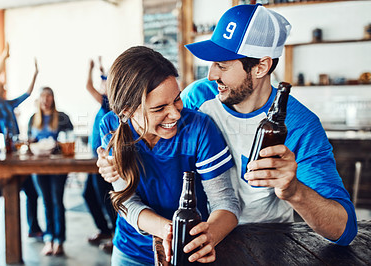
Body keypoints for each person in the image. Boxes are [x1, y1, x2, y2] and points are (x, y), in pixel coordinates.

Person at [98, 4, 357, 247]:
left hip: (265, 241)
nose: (212, 75)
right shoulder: (198, 97)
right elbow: (151, 136)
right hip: (206, 235)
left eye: (222, 65)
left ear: (261, 67)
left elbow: (343, 230)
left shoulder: (299, 125)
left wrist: (294, 190)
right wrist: (116, 160)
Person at [97, 46, 240, 265]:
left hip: (190, 252)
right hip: (131, 252)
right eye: (159, 108)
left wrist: (208, 237)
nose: (175, 113)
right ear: (126, 111)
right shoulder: (110, 127)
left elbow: (226, 203)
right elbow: (127, 201)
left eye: (177, 99)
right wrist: (170, 231)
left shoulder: (199, 128)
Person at [0, 43, 42, 237]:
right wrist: (3, 57)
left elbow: (27, 94)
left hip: (15, 153)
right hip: (0, 156)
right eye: (1, 86)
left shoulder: (8, 104)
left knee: (31, 192)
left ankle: (33, 228)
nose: (3, 88)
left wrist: (35, 74)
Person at [28, 86, 73, 256]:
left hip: (58, 166)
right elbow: (30, 140)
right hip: (38, 166)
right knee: (46, 202)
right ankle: (49, 239)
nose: (45, 100)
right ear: (38, 100)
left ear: (53, 99)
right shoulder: (33, 119)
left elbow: (70, 138)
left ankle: (59, 241)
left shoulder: (62, 118)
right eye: (42, 96)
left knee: (57, 201)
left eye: (48, 96)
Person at [83, 57, 116, 252]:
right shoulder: (105, 102)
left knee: (106, 199)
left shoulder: (107, 102)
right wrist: (101, 71)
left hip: (103, 159)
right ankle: (104, 230)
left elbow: (88, 86)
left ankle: (113, 235)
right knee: (88, 194)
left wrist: (90, 69)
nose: (102, 85)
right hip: (93, 160)